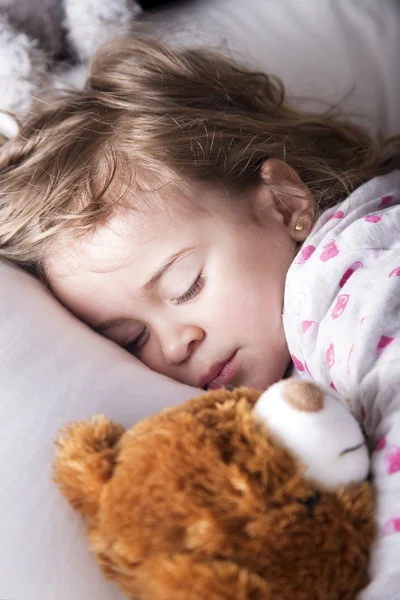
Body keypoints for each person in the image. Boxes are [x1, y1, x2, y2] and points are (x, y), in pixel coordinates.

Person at [0, 36, 399, 597]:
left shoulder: (356, 275)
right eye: (132, 339)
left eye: (185, 286)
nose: (173, 346)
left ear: (285, 204)